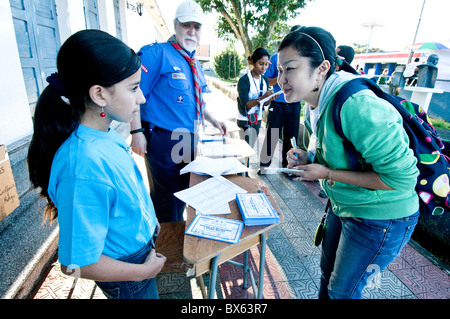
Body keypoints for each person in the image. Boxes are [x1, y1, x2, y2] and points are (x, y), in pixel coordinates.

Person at [279, 26, 420, 299]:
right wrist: (309, 159)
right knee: (327, 276)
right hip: (344, 205)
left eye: (290, 69)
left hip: (382, 217)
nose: (280, 79)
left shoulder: (357, 105)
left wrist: (327, 172)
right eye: (280, 70)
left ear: (322, 68)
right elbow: (339, 153)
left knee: (342, 291)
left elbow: (401, 179)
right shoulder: (315, 104)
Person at [27, 29, 166, 299]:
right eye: (134, 88)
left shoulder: (104, 133)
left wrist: (149, 219)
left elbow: (126, 189)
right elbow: (75, 264)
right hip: (129, 274)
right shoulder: (82, 167)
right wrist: (143, 272)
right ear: (99, 95)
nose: (142, 98)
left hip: (138, 258)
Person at [130, 0, 227, 223]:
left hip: (188, 138)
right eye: (186, 25)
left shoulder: (194, 61)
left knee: (184, 192)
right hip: (164, 138)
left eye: (197, 26)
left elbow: (197, 98)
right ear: (175, 26)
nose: (192, 31)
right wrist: (136, 132)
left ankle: (177, 238)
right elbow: (135, 93)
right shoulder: (157, 54)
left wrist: (212, 119)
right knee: (165, 198)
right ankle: (164, 248)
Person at [259, 26, 302, 173]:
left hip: (295, 104)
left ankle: (288, 169)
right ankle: (264, 166)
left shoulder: (304, 60)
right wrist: (281, 77)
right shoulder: (277, 57)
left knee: (292, 139)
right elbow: (266, 81)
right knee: (272, 135)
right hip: (277, 103)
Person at [237, 47, 274, 148]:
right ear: (253, 63)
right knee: (244, 148)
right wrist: (263, 97)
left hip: (257, 118)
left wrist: (269, 99)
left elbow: (264, 103)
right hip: (245, 118)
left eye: (266, 64)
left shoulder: (265, 80)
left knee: (250, 147)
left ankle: (245, 163)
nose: (264, 67)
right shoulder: (244, 80)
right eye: (261, 64)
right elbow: (245, 104)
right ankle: (243, 164)